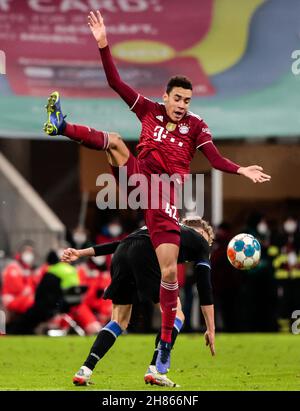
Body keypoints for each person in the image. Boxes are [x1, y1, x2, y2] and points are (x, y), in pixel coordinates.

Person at [44, 10, 271, 373]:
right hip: (140, 179)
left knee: (168, 273)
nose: (182, 106)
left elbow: (213, 158)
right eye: (178, 98)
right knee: (115, 143)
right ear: (165, 97)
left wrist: (240, 168)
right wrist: (103, 44)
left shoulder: (197, 126)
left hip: (164, 193)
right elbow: (116, 83)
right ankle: (61, 126)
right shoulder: (148, 110)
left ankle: (160, 358)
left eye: (187, 100)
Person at [61, 217, 215, 387]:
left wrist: (81, 253)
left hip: (122, 254)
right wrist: (210, 327)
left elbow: (120, 243)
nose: (207, 246)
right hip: (145, 255)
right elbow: (204, 287)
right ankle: (155, 370)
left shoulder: (161, 226)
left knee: (119, 321)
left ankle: (85, 370)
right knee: (176, 314)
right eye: (208, 240)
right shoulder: (199, 241)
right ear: (200, 233)